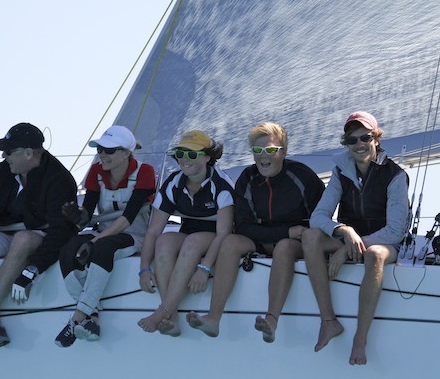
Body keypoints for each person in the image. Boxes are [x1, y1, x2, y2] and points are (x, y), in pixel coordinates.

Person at [186, 122, 325, 339]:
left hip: (295, 243)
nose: (263, 156)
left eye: (270, 150)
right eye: (257, 151)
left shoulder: (303, 176)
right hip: (271, 236)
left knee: (284, 247)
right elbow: (242, 227)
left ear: (284, 152)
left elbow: (321, 218)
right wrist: (286, 232)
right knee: (230, 242)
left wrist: (291, 235)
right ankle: (213, 318)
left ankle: (271, 320)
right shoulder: (247, 178)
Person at [0, 122, 77, 348]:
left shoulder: (59, 179)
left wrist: (33, 269)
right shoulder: (2, 175)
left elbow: (61, 232)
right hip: (9, 236)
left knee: (23, 238)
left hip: (39, 238)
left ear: (29, 153)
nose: (3, 155)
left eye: (9, 151)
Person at [301, 111, 409, 365]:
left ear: (377, 139)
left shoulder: (395, 175)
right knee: (310, 237)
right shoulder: (340, 172)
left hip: (384, 243)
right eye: (352, 140)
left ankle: (360, 339)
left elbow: (395, 231)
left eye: (365, 138)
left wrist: (348, 248)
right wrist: (344, 232)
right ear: (346, 144)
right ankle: (328, 321)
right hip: (349, 239)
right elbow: (318, 217)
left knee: (374, 255)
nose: (359, 145)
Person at [55, 126, 156, 347]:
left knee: (102, 248)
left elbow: (128, 218)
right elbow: (87, 215)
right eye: (100, 148)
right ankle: (92, 318)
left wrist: (96, 240)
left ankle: (78, 318)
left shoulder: (145, 171)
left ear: (126, 152)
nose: (102, 154)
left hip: (134, 235)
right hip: (104, 233)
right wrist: (76, 216)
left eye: (109, 150)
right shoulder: (95, 171)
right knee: (67, 249)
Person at [137, 130, 233, 336]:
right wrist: (144, 268)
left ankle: (162, 312)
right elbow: (153, 231)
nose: (183, 160)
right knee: (163, 241)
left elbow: (224, 233)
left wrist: (204, 268)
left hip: (215, 239)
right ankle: (171, 318)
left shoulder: (222, 185)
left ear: (208, 157)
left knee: (193, 240)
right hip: (190, 235)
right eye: (180, 154)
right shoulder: (173, 183)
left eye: (191, 154)